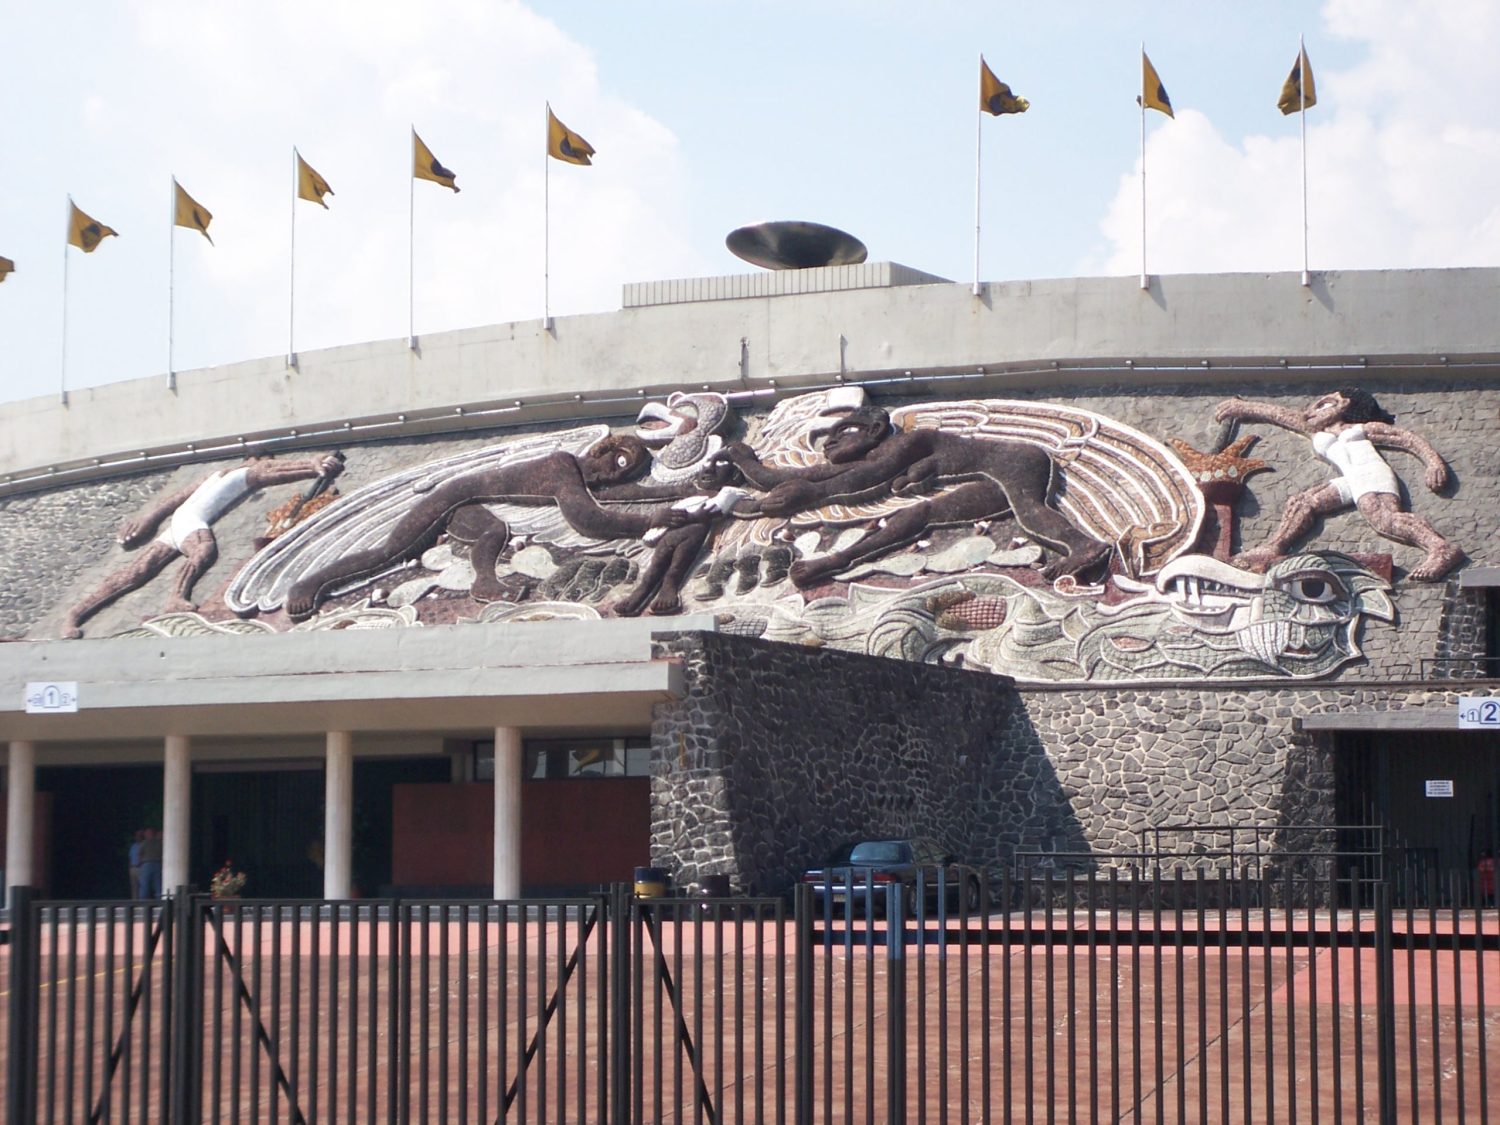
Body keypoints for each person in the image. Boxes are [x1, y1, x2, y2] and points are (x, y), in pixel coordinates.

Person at [285, 434, 701, 619]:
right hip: (455, 495)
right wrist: (650, 521)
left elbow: (611, 501)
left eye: (628, 473)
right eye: (622, 464)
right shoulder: (561, 467)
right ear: (606, 451)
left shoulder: (583, 483)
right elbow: (586, 519)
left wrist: (685, 488)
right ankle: (308, 585)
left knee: (491, 532)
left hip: (476, 508)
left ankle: (484, 581)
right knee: (389, 552)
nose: (617, 477)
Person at [719, 403, 1110, 589]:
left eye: (844, 431)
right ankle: (835, 561)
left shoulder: (910, 441)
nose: (831, 442)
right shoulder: (874, 455)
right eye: (827, 437)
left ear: (873, 431)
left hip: (1013, 463)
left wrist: (799, 492)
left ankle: (1084, 546)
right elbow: (819, 476)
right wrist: (749, 465)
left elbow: (857, 480)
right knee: (918, 517)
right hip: (987, 481)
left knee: (1028, 512)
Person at [63, 453, 345, 638]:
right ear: (252, 458)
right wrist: (313, 464)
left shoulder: (215, 476)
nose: (261, 462)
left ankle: (75, 615)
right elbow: (274, 470)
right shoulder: (237, 473)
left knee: (137, 572)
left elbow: (171, 502)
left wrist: (148, 520)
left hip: (178, 523)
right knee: (202, 550)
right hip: (188, 521)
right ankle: (176, 598)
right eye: (260, 459)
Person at [1214, 388, 1462, 581]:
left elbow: (1405, 439)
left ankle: (1441, 548)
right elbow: (1281, 415)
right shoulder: (1316, 431)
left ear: (1344, 405)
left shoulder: (1360, 429)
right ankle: (1273, 548)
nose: (1313, 410)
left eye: (1324, 404)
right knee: (1303, 502)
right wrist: (1242, 407)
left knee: (1385, 518)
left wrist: (1433, 463)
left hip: (1370, 474)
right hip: (1349, 479)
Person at [137, 827, 163, 899]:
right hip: (157, 864)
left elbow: (140, 854)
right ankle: (160, 901)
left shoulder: (145, 842)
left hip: (147, 864)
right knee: (158, 884)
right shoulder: (160, 842)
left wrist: (139, 864)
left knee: (145, 884)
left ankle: (143, 902)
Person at [127, 828, 145, 899]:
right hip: (133, 868)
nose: (138, 837)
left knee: (142, 886)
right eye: (137, 836)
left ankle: (142, 901)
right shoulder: (133, 846)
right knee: (134, 886)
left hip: (141, 867)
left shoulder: (144, 844)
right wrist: (129, 868)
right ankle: (134, 901)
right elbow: (130, 857)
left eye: (139, 835)